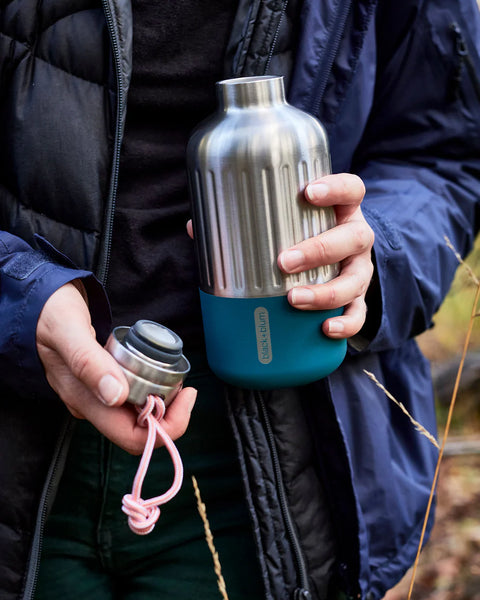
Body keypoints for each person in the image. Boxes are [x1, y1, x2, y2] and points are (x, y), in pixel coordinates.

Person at [0, 1, 479, 599]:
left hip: (279, 458)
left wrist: (373, 255)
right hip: (17, 439)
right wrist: (19, 297)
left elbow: (441, 152)